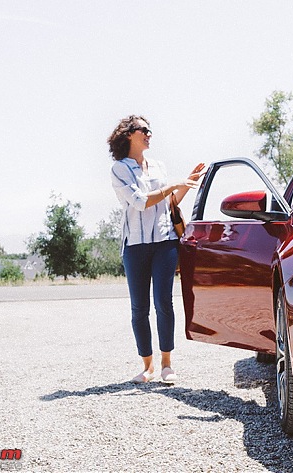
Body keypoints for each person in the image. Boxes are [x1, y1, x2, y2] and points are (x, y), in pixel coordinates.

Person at [108, 115, 206, 383]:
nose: (149, 134)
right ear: (129, 134)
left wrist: (184, 184)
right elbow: (139, 202)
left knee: (164, 302)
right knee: (139, 309)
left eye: (150, 130)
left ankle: (166, 364)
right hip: (135, 247)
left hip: (165, 242)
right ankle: (147, 366)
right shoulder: (119, 169)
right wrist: (170, 186)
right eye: (144, 130)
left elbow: (170, 201)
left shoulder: (159, 166)